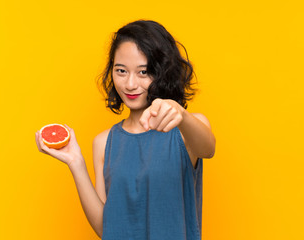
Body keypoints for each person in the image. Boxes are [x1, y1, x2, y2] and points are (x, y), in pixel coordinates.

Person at [35, 20, 216, 240]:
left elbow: (207, 149)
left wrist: (181, 114)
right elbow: (106, 227)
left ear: (163, 72)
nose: (130, 84)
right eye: (121, 71)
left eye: (143, 72)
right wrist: (76, 163)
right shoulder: (104, 142)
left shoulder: (187, 128)